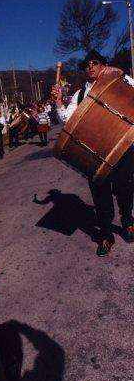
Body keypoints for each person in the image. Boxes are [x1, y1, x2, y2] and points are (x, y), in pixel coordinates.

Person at [52, 49, 134, 257]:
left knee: (125, 189)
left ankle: (128, 222)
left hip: (121, 147)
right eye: (86, 64)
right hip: (94, 155)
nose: (90, 66)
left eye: (94, 62)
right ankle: (106, 235)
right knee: (101, 197)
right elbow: (66, 121)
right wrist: (59, 101)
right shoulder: (80, 95)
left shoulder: (117, 81)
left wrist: (120, 72)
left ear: (102, 65)